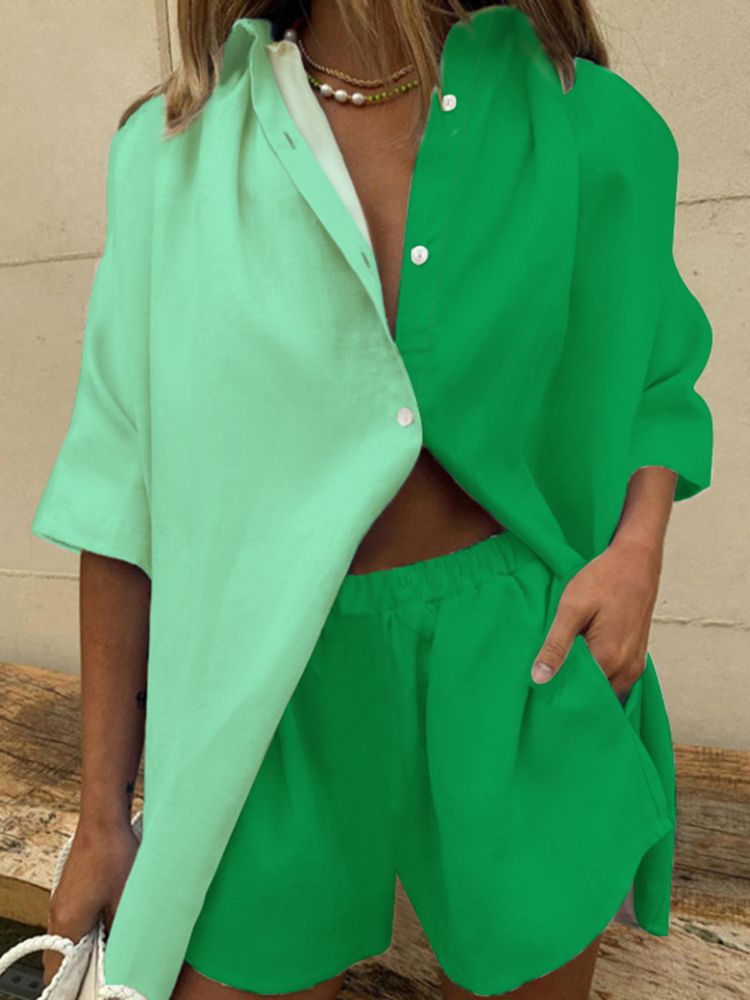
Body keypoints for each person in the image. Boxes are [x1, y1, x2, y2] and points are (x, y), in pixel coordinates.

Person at [33, 2, 713, 999]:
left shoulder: (584, 120)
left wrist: (638, 549)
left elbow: (653, 364)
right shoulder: (173, 156)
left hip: (519, 664)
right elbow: (119, 489)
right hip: (268, 695)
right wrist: (102, 812)